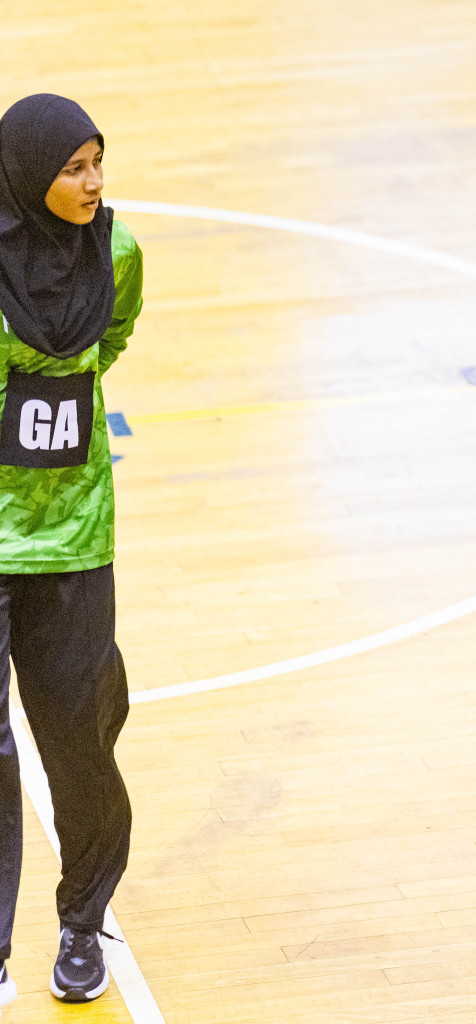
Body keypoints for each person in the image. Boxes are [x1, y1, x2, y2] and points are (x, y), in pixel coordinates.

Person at [0, 93, 144, 1007]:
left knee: (80, 747)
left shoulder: (118, 254)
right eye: (72, 168)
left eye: (99, 162)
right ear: (26, 175)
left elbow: (114, 339)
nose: (93, 183)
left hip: (75, 539)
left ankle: (83, 918)